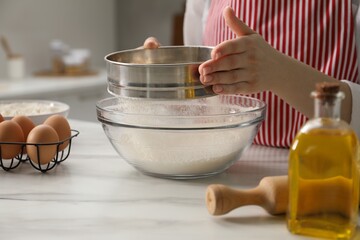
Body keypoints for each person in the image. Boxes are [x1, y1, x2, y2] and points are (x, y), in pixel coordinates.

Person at [144, 0, 360, 148]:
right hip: (224, 168)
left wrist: (278, 71)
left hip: (328, 172)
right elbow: (201, 93)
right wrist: (164, 81)